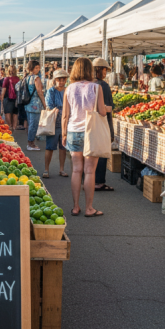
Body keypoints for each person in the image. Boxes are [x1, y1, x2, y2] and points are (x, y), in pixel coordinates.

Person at [61, 58, 108, 217]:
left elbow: (65, 115)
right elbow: (102, 112)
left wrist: (64, 133)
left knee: (76, 170)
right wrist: (107, 108)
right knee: (89, 171)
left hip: (73, 131)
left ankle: (75, 207)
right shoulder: (96, 87)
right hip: (90, 132)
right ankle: (89, 208)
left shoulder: (69, 88)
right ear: (90, 70)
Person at [92, 58, 115, 192]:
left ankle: (88, 180)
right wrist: (111, 131)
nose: (105, 72)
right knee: (101, 153)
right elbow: (108, 108)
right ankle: (99, 182)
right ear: (99, 70)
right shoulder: (103, 86)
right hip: (101, 122)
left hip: (89, 123)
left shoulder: (88, 83)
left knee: (90, 153)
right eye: (105, 69)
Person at [44, 69, 69, 179]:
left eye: (63, 79)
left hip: (65, 123)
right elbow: (49, 105)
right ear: (55, 80)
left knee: (63, 148)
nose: (61, 82)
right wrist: (63, 111)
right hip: (53, 123)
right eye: (59, 79)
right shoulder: (51, 91)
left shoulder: (67, 91)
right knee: (50, 147)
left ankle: (61, 169)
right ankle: (46, 169)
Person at [24, 61, 46, 152]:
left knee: (30, 124)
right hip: (35, 104)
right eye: (36, 68)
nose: (38, 69)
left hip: (28, 103)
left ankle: (30, 141)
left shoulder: (27, 77)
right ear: (32, 68)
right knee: (33, 125)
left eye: (38, 68)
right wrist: (45, 104)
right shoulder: (36, 78)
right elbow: (40, 92)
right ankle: (30, 143)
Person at [1, 66, 20, 133]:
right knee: (15, 113)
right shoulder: (18, 79)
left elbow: (3, 91)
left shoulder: (6, 79)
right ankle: (14, 128)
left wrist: (1, 101)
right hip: (16, 99)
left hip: (8, 99)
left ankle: (10, 127)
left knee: (7, 113)